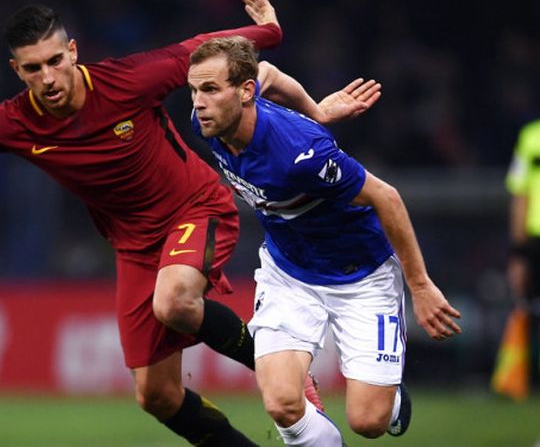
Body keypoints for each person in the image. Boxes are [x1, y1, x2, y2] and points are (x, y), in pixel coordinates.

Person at [0, 0, 378, 446]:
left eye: (56, 60)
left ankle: (276, 363)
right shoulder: (11, 124)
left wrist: (269, 34)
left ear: (72, 52)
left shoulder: (130, 79)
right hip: (134, 245)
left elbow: (203, 52)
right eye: (33, 68)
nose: (49, 77)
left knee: (175, 303)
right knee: (157, 397)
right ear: (16, 71)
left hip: (195, 207)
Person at [187, 35, 463, 446]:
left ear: (244, 94)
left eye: (209, 89)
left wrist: (419, 285)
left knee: (368, 422)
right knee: (281, 402)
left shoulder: (302, 155)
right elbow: (269, 72)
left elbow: (386, 197)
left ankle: (388, 400)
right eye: (193, 90)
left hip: (361, 276)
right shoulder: (212, 121)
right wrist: (316, 109)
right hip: (289, 274)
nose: (198, 102)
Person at [506, 118, 540, 390]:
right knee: (531, 311)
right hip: (535, 240)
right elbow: (520, 192)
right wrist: (518, 253)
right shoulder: (531, 137)